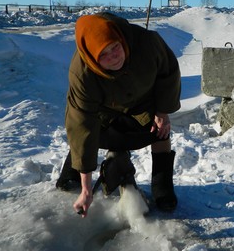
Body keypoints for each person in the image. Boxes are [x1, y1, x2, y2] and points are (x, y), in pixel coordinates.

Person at [56, 12, 181, 218]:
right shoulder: (82, 74)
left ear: (121, 39)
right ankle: (72, 170)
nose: (114, 56)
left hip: (144, 102)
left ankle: (163, 184)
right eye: (104, 55)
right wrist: (86, 190)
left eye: (115, 47)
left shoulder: (148, 43)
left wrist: (162, 111)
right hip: (102, 110)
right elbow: (82, 124)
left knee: (160, 130)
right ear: (92, 58)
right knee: (85, 133)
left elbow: (169, 73)